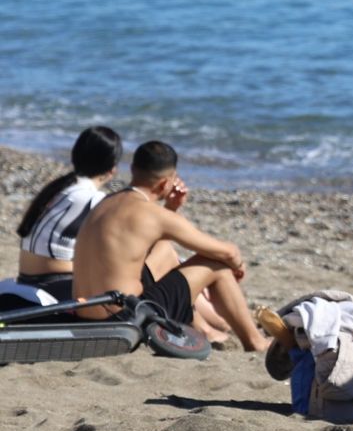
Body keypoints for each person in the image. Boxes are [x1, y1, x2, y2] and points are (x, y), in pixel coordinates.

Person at [72, 140, 271, 350]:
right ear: (165, 183)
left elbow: (143, 244)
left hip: (85, 316)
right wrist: (238, 266)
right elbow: (228, 252)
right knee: (216, 265)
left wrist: (170, 208)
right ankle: (255, 342)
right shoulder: (153, 215)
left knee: (164, 250)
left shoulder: (106, 202)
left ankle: (203, 328)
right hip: (124, 321)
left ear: (132, 169)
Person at [13, 126, 123, 302]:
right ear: (112, 169)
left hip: (26, 278)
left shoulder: (60, 188)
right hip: (55, 284)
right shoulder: (93, 199)